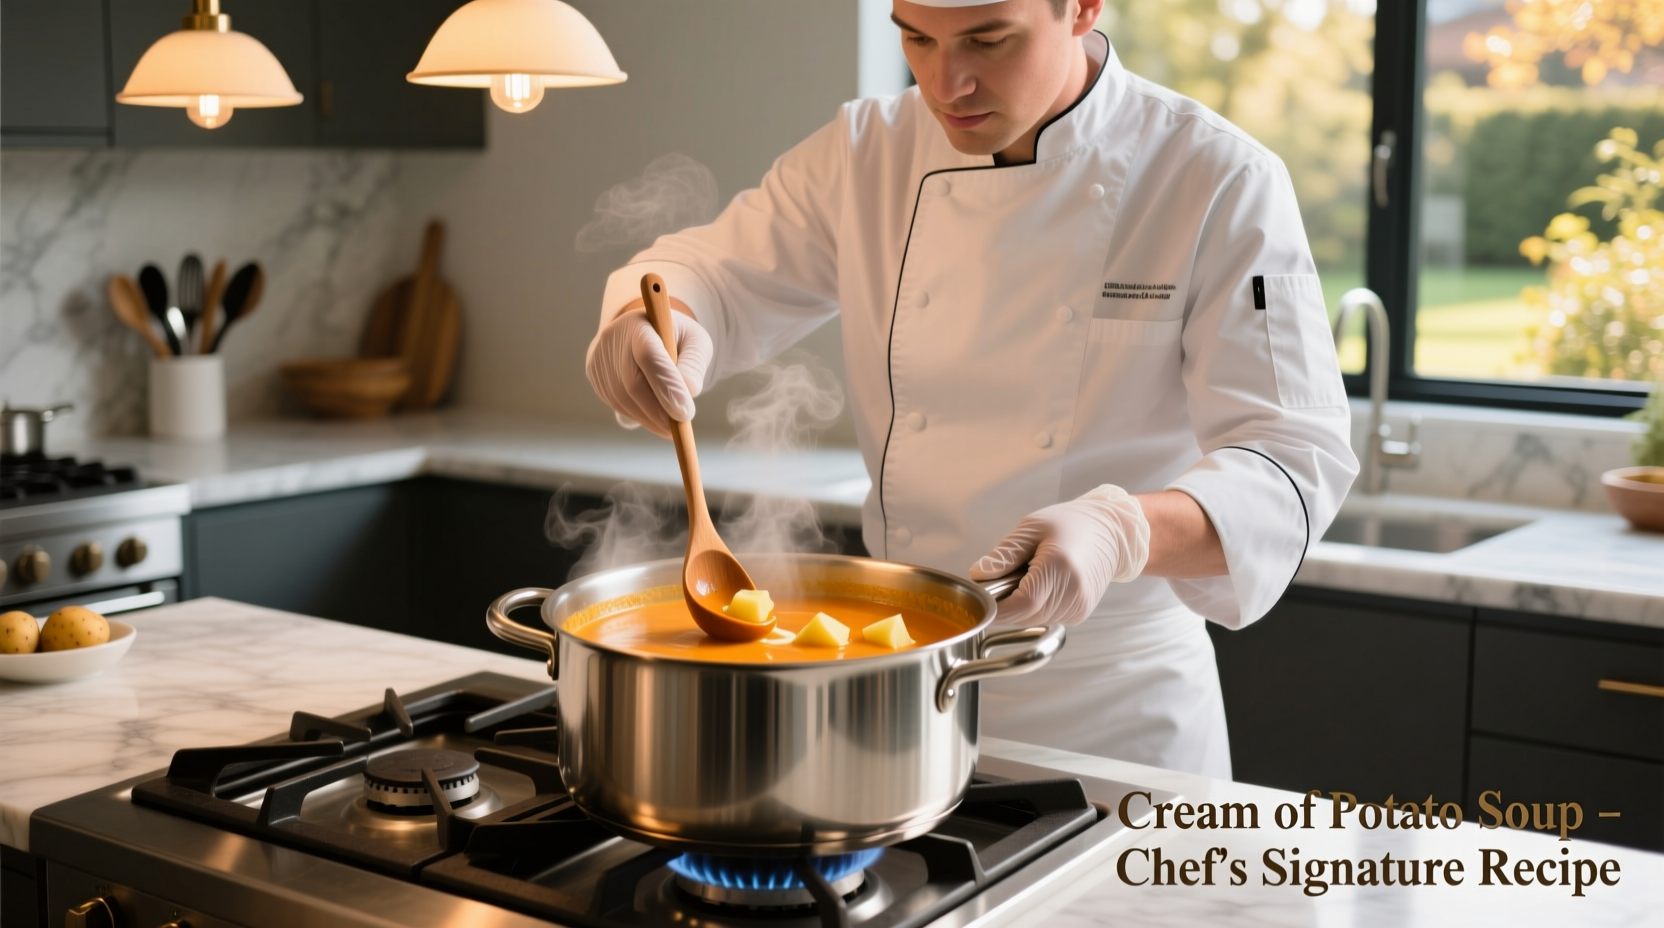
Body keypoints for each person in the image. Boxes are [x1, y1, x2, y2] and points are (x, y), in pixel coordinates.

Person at [585, 0, 1357, 778]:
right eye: (916, 38)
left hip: (1114, 719)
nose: (946, 81)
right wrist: (652, 321)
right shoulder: (867, 151)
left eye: (989, 40)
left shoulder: (1216, 176)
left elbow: (1294, 458)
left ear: (1083, 8)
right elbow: (710, 271)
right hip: (901, 702)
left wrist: (1124, 529)